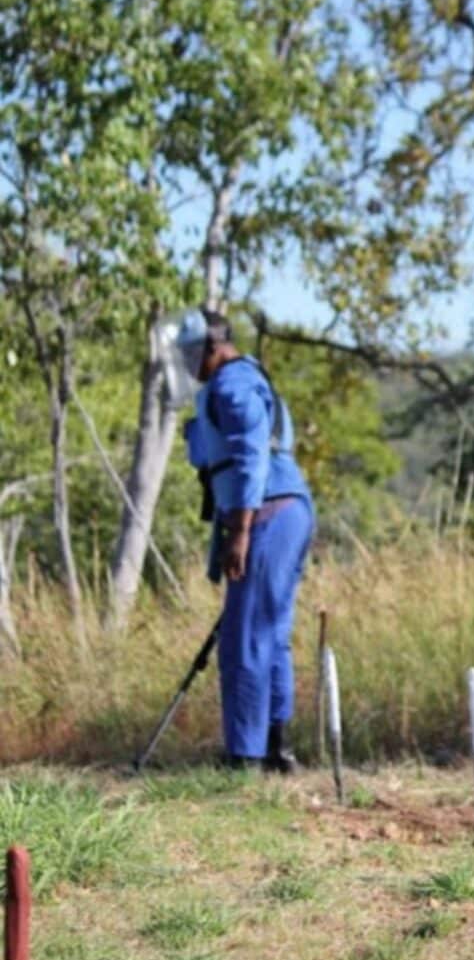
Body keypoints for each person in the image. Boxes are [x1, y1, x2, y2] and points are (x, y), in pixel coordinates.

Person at [172, 308, 314, 772]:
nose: (187, 363)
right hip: (287, 509)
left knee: (245, 637)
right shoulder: (246, 378)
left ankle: (245, 758)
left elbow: (252, 456)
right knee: (268, 634)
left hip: (267, 514)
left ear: (213, 347)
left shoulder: (232, 384)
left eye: (190, 353)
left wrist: (242, 530)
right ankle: (275, 750)